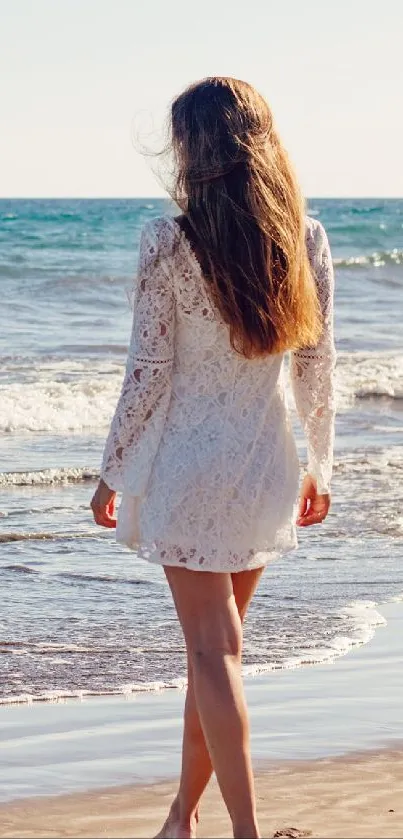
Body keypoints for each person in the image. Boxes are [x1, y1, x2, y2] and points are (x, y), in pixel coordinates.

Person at [90, 76, 336, 839]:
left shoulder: (168, 242)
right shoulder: (304, 238)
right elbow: (317, 367)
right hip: (264, 465)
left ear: (195, 148)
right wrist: (318, 463)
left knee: (212, 655)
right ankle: (179, 818)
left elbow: (148, 372)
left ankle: (245, 833)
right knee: (216, 659)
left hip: (189, 473)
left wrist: (112, 470)